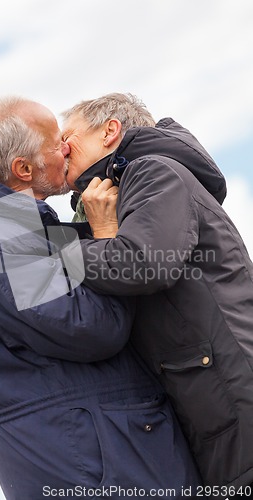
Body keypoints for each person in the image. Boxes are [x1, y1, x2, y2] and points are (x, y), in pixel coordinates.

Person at [0, 96, 201, 500]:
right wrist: (107, 237)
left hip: (103, 454)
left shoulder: (14, 228)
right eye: (55, 143)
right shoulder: (2, 233)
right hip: (97, 466)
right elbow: (91, 329)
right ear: (24, 169)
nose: (66, 148)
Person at [61, 93, 253, 491]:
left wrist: (56, 251)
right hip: (219, 400)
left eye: (69, 136)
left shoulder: (152, 171)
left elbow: (144, 264)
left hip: (235, 399)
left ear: (110, 131)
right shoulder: (130, 184)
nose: (60, 149)